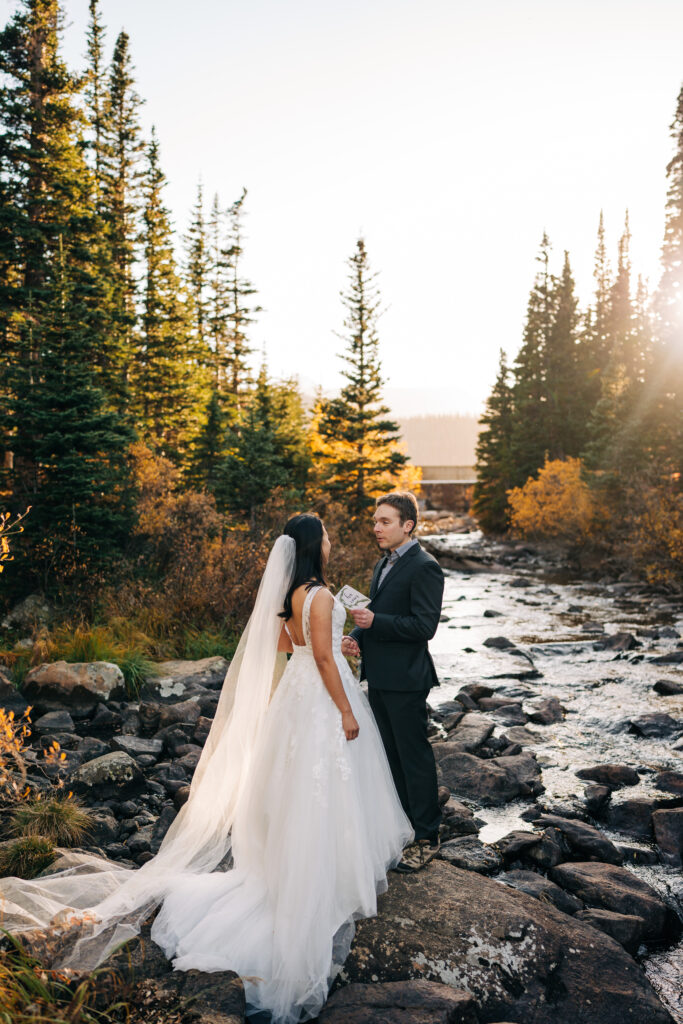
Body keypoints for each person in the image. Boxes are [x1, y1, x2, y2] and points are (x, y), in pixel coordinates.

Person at [1, 514, 412, 1024]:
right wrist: (347, 709)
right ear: (314, 545)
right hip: (323, 699)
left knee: (300, 787)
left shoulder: (287, 596)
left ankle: (294, 868)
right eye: (326, 535)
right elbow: (326, 663)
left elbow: (290, 648)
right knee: (329, 783)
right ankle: (326, 877)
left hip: (295, 698)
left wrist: (328, 648)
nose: (331, 541)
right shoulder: (323, 596)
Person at [343, 491, 444, 873]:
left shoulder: (425, 566)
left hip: (406, 678)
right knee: (390, 756)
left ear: (408, 525)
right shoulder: (383, 563)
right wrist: (358, 635)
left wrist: (376, 623)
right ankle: (404, 827)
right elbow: (375, 612)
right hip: (380, 675)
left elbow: (425, 627)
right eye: (375, 521)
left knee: (414, 757)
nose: (376, 528)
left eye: (385, 522)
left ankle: (427, 836)